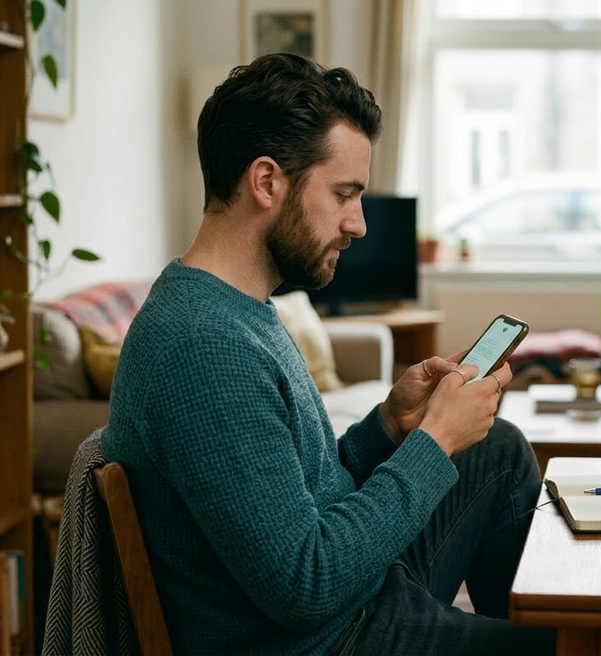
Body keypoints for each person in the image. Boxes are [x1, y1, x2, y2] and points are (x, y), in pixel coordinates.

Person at [101, 53, 555, 656]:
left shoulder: (241, 306)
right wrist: (434, 442)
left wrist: (391, 425)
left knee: (497, 451)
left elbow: (297, 493)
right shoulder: (202, 347)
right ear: (267, 182)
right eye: (345, 194)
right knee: (581, 645)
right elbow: (305, 584)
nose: (360, 224)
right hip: (330, 637)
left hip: (354, 602)